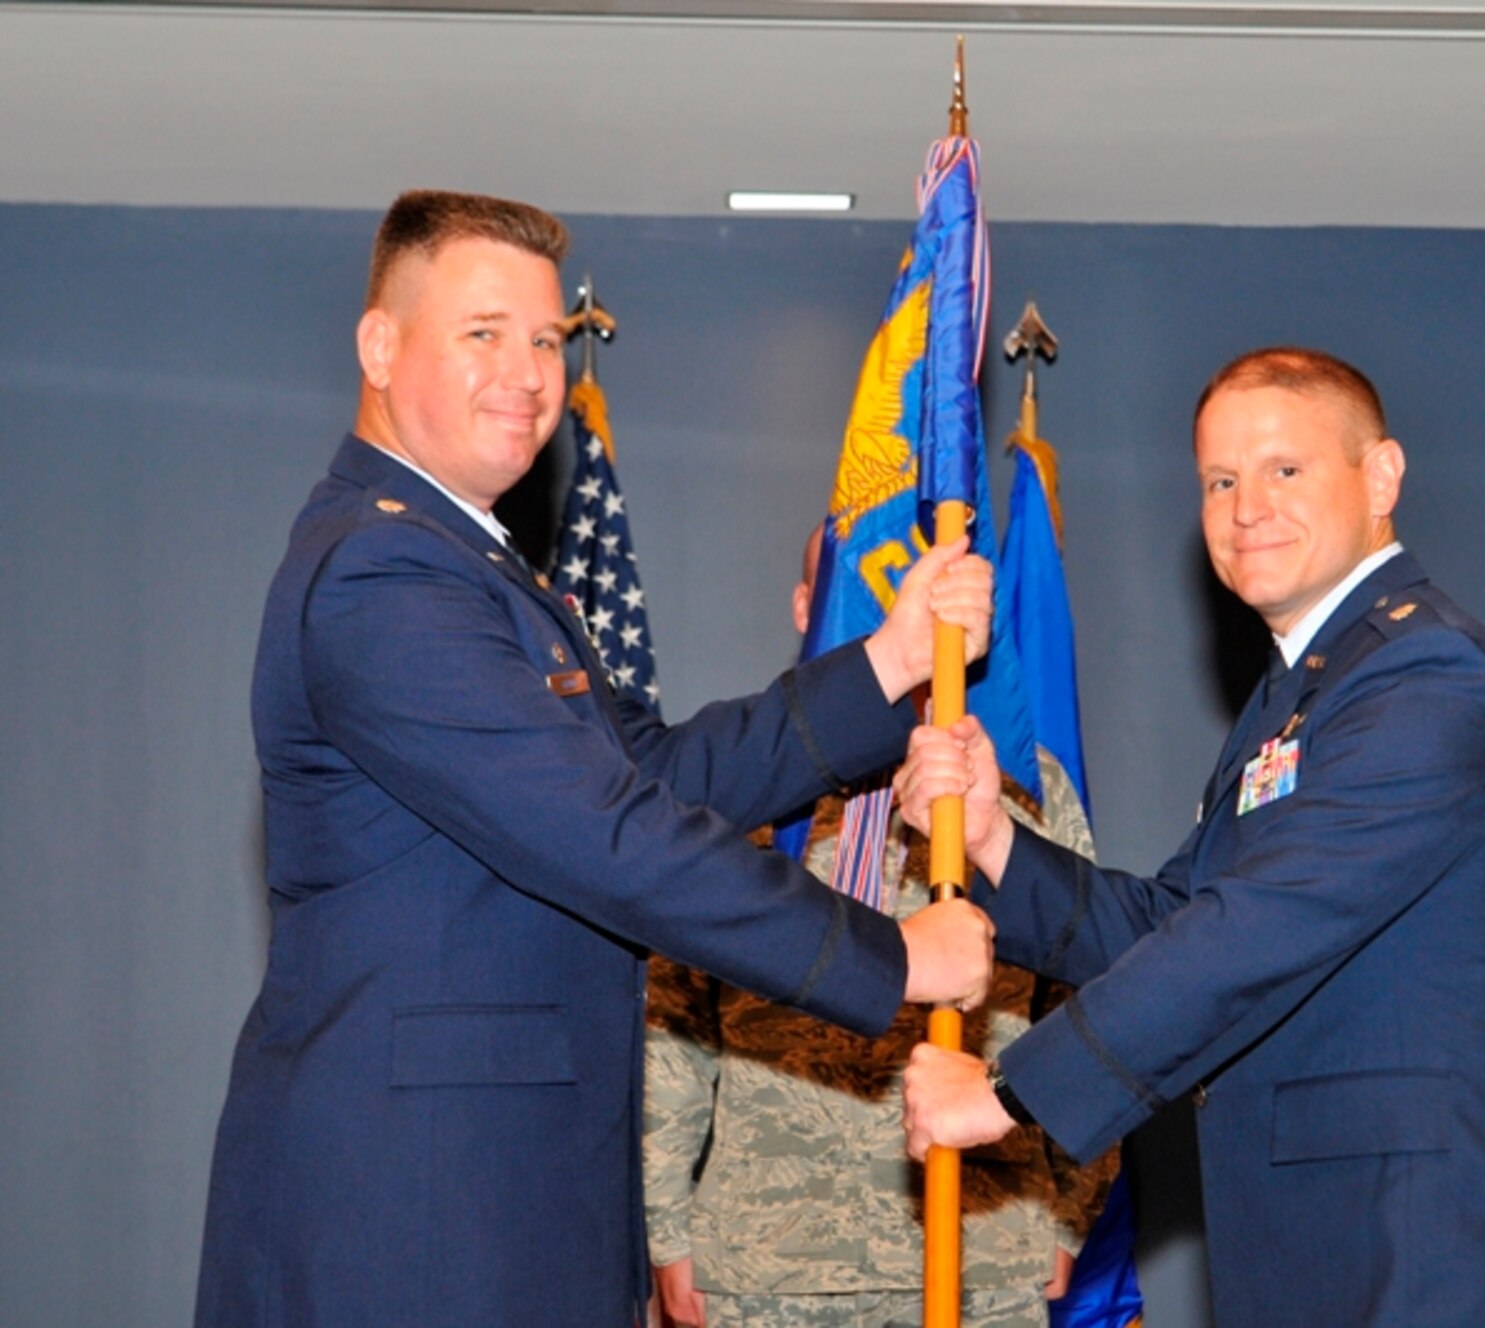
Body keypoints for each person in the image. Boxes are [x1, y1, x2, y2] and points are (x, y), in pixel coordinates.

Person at [194, 190, 996, 1328]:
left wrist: (886, 657)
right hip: (414, 1210)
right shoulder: (383, 573)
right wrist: (887, 955)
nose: (527, 373)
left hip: (498, 1198)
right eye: (482, 333)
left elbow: (655, 778)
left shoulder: (469, 566)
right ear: (380, 345)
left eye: (544, 340)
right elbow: (604, 833)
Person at [895, 348, 1485, 1326]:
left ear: (1381, 476)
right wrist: (993, 840)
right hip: (1313, 1242)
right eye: (1219, 480)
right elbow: (1179, 920)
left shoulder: (1429, 674)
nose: (1243, 507)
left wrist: (1010, 1093)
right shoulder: (1300, 692)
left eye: (1283, 470)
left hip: (1427, 1257)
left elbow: (1255, 928)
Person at [641, 533, 1112, 1328]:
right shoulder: (750, 786)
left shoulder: (1022, 793)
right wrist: (668, 1234)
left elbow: (1090, 1000)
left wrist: (1068, 1212)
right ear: (806, 609)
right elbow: (674, 1023)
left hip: (981, 1251)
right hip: (770, 1262)